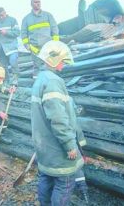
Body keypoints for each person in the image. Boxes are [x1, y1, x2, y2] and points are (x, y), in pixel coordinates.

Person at [31, 40, 86, 206]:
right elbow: (58, 119)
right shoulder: (53, 81)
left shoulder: (41, 79)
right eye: (62, 60)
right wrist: (70, 145)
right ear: (53, 59)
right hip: (57, 147)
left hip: (44, 145)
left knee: (46, 178)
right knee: (65, 183)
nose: (64, 64)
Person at [21, 0, 59, 77]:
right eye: (36, 2)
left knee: (52, 65)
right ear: (31, 4)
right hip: (35, 48)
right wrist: (27, 45)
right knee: (37, 67)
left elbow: (54, 28)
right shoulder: (26, 19)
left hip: (48, 46)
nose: (38, 3)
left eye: (39, 2)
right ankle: (37, 84)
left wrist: (55, 42)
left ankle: (52, 83)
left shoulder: (48, 15)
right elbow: (23, 33)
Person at [0, 7, 20, 85]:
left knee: (13, 63)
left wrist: (6, 32)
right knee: (2, 67)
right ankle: (6, 81)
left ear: (5, 13)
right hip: (1, 48)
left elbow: (17, 33)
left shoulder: (12, 20)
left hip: (11, 47)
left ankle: (15, 81)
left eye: (2, 15)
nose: (1, 17)